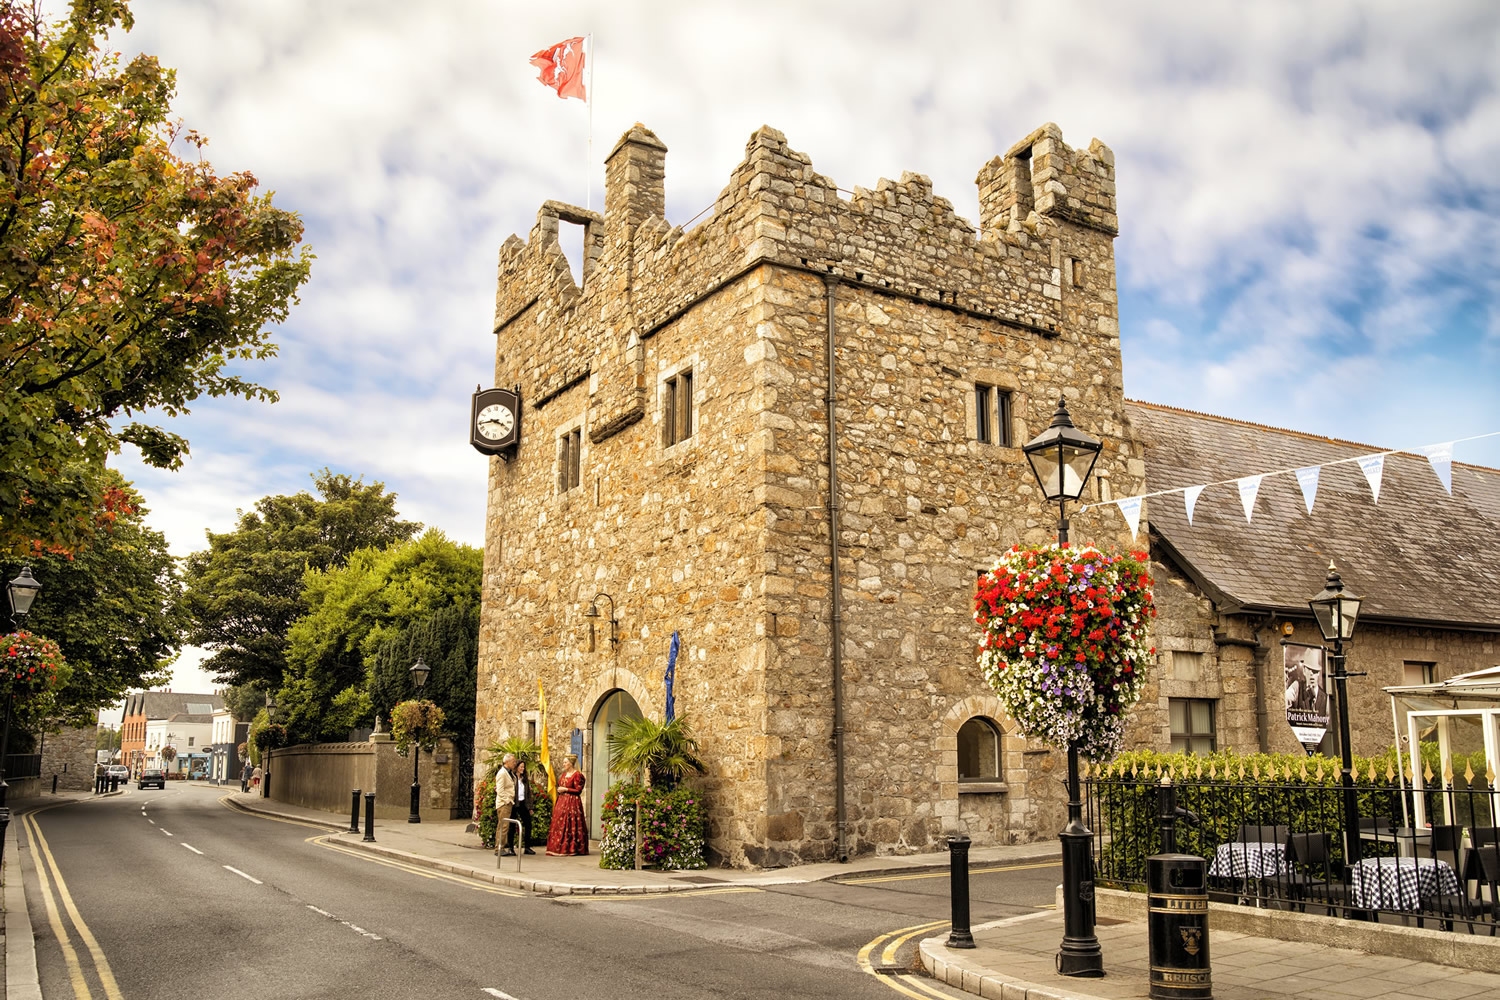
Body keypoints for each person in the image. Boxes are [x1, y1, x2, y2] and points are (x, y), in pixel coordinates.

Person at [546, 754, 588, 856]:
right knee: (559, 823)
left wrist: (566, 789)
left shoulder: (577, 775)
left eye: (565, 762)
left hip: (572, 802)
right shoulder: (564, 774)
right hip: (562, 801)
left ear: (571, 763)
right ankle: (557, 847)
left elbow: (578, 790)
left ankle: (571, 848)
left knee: (571, 824)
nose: (563, 764)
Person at [506, 760, 536, 855]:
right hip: (514, 803)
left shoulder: (524, 778)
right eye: (521, 767)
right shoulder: (512, 777)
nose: (522, 769)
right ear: (517, 767)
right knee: (512, 825)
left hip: (523, 803)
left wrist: (530, 807)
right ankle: (510, 848)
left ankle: (527, 847)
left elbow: (528, 793)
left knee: (528, 824)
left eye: (523, 767)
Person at [495, 753, 518, 856]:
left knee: (504, 826)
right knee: (503, 826)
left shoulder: (510, 773)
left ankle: (501, 847)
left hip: (509, 803)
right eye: (513, 761)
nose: (515, 763)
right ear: (507, 762)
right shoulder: (502, 773)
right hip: (504, 804)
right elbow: (500, 790)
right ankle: (499, 848)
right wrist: (507, 800)